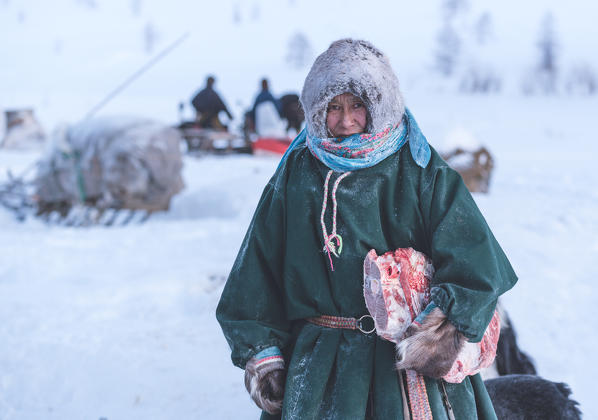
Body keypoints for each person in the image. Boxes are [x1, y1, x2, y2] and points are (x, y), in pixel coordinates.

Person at [217, 39, 517, 419]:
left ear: (380, 104)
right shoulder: (297, 173)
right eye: (334, 108)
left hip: (407, 362)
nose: (346, 120)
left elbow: (477, 263)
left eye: (358, 104)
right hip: (319, 367)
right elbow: (255, 270)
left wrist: (440, 330)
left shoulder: (420, 169)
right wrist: (261, 350)